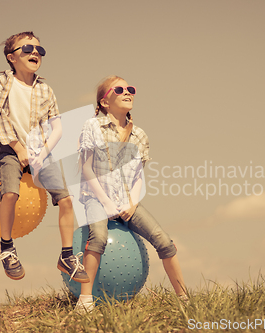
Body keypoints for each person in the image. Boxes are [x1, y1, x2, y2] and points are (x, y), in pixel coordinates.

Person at [0, 31, 89, 284]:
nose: (34, 53)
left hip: (41, 153)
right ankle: (7, 246)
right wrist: (19, 150)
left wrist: (40, 154)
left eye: (39, 50)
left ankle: (66, 256)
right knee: (10, 193)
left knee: (66, 200)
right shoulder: (3, 84)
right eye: (27, 49)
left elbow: (57, 127)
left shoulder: (45, 90)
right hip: (10, 149)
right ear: (11, 57)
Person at [75, 75, 186, 313]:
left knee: (165, 242)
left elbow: (138, 176)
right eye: (119, 89)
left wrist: (133, 204)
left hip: (127, 201)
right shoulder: (92, 126)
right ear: (104, 102)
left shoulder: (140, 135)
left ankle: (184, 299)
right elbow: (86, 169)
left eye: (130, 89)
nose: (128, 92)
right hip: (96, 198)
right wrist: (105, 201)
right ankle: (85, 301)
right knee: (98, 237)